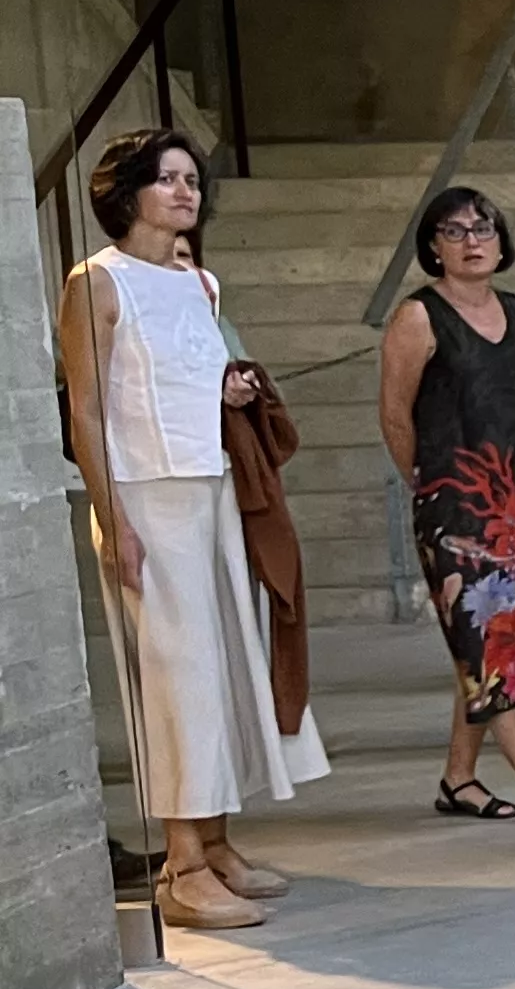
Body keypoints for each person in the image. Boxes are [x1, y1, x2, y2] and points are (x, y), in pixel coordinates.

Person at [54, 127, 328, 930]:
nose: (186, 192)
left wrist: (231, 393)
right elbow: (86, 409)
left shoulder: (199, 283)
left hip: (210, 491)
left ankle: (213, 842)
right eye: (167, 179)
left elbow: (185, 381)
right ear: (127, 191)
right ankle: (179, 864)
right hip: (147, 497)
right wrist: (115, 521)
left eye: (191, 180)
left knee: (226, 668)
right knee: (179, 677)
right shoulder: (96, 283)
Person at [375, 187, 515, 828]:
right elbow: (394, 411)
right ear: (432, 247)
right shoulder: (418, 316)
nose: (472, 240)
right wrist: (431, 484)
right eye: (454, 230)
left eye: (484, 227)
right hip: (458, 508)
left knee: (499, 641)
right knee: (492, 648)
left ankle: (459, 777)